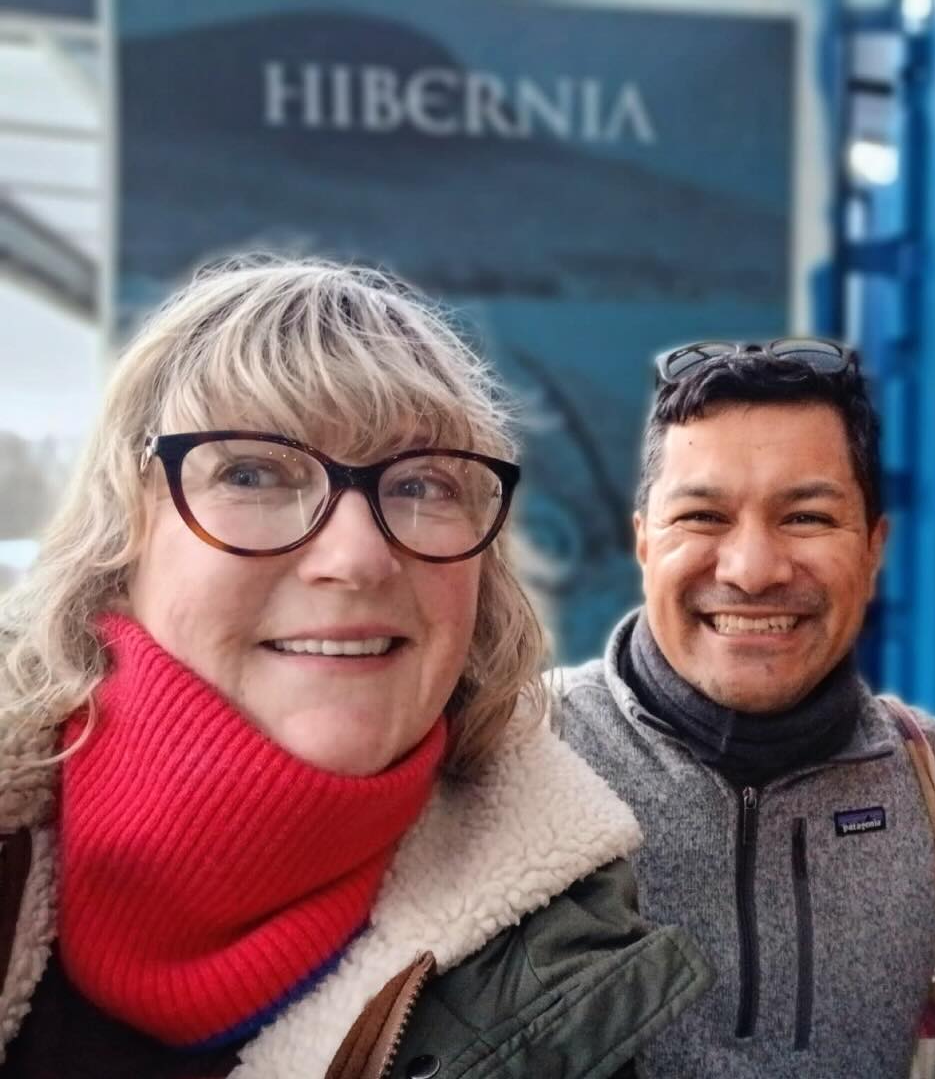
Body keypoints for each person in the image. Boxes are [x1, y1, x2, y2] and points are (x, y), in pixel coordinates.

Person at [0, 258, 711, 1078]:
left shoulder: (565, 975)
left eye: (424, 484)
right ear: (125, 524)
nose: (359, 556)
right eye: (253, 472)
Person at [549, 339, 935, 1077]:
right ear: (644, 543)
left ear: (874, 549)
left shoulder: (933, 782)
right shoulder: (516, 754)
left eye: (805, 518)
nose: (752, 570)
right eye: (703, 516)